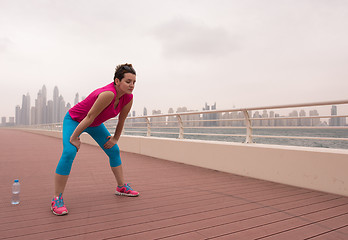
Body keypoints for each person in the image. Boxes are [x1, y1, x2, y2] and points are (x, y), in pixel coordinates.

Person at [51, 63, 139, 216]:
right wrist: (75, 137)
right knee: (69, 151)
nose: (132, 85)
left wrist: (115, 139)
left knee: (114, 150)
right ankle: (57, 198)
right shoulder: (108, 94)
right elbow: (89, 116)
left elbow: (121, 120)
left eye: (134, 82)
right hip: (75, 120)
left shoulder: (128, 98)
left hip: (94, 124)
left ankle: (121, 187)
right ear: (117, 81)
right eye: (128, 81)